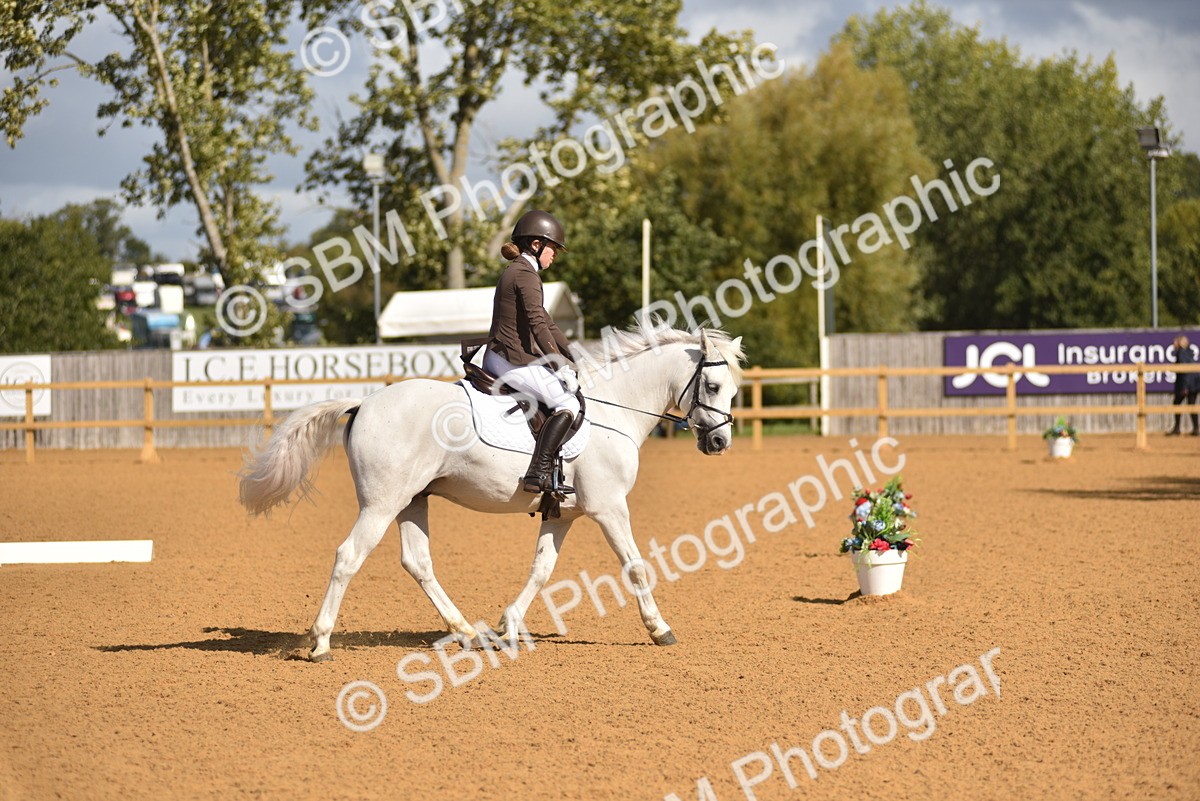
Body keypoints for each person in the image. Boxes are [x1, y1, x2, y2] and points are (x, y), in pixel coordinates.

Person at [485, 210, 581, 492]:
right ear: (536, 245)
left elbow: (546, 321)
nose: (555, 256)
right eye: (553, 249)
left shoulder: (521, 271)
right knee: (569, 404)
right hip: (510, 359)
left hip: (503, 354)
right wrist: (559, 366)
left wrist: (573, 356)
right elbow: (538, 324)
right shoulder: (525, 274)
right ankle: (538, 473)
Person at [1167, 334, 1200, 436]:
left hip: (1186, 384)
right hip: (1194, 383)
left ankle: (1177, 428)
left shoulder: (1181, 352)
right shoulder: (1190, 351)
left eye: (1175, 342)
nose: (1173, 344)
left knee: (1177, 403)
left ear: (1179, 342)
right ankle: (1196, 428)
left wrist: (1185, 387)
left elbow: (1185, 371)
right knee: (1192, 405)